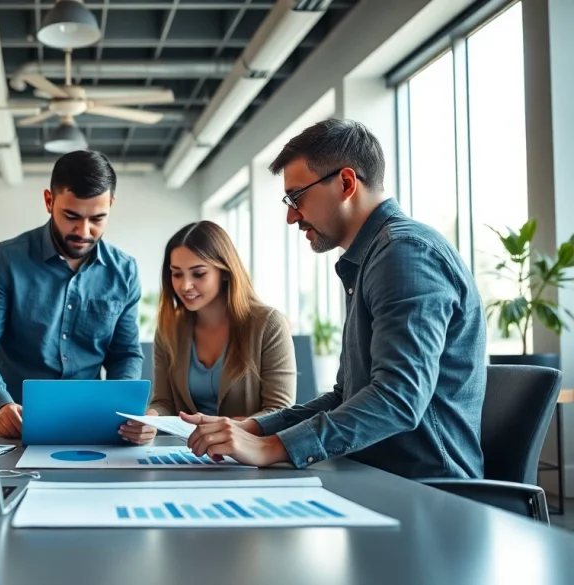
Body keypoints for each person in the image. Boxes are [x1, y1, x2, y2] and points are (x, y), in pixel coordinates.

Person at [183, 118, 487, 479]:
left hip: (428, 490)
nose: (291, 216)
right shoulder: (372, 260)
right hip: (374, 476)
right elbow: (345, 396)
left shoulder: (404, 255)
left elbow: (398, 399)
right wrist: (253, 429)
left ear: (345, 183)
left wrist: (270, 448)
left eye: (296, 198)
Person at [0, 150, 144, 440]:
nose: (84, 231)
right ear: (49, 201)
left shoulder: (125, 271)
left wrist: (122, 411)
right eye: (71, 216)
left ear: (111, 204)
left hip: (94, 425)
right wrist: (0, 403)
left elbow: (125, 353)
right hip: (15, 424)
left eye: (98, 218)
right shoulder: (6, 260)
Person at [146, 220, 296, 425]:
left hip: (248, 452)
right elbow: (164, 403)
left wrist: (227, 428)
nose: (185, 285)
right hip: (185, 452)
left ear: (225, 272)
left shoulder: (269, 324)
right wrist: (150, 420)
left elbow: (280, 411)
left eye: (198, 274)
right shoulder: (169, 329)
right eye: (177, 274)